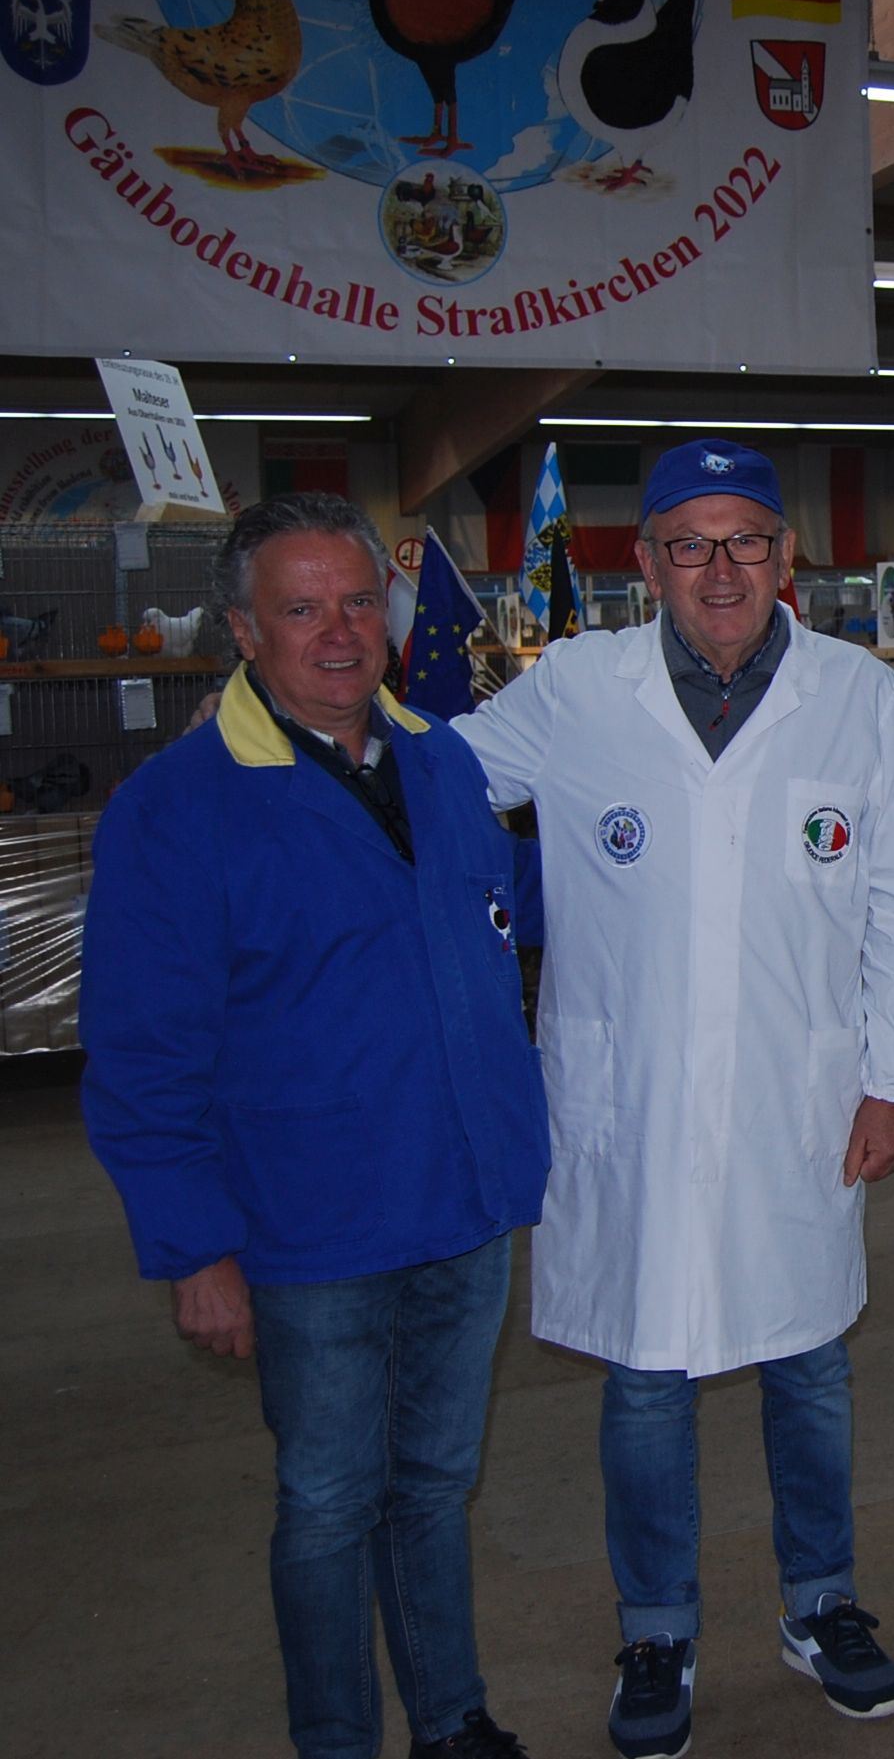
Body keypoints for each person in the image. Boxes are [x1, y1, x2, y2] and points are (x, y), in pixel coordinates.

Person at [449, 440, 894, 1758]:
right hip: (639, 1096)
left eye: (747, 541)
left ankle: (822, 1601)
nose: (721, 569)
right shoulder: (578, 691)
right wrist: (298, 738)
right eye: (691, 543)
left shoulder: (853, 693)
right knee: (647, 1375)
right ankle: (657, 1626)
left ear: (787, 556)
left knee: (809, 1364)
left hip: (801, 1093)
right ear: (647, 560)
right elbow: (436, 780)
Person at [79, 494, 548, 1759]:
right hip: (309, 1228)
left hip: (465, 1200)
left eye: (357, 602)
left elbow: (499, 930)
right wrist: (192, 1246)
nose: (339, 632)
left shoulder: (444, 763)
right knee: (332, 1499)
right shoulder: (178, 806)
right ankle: (336, 1738)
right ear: (243, 628)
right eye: (301, 608)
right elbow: (142, 1053)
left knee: (435, 1483)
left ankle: (450, 1717)